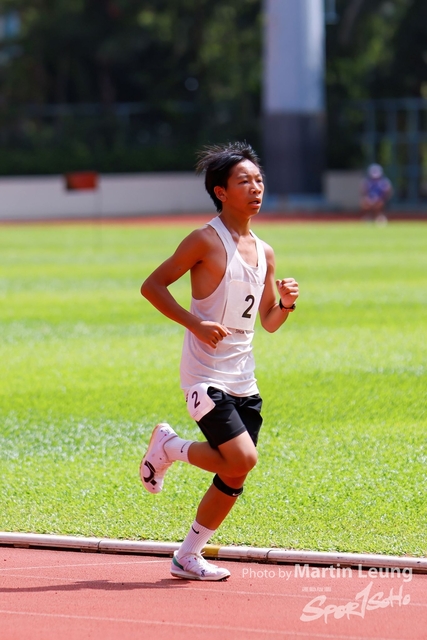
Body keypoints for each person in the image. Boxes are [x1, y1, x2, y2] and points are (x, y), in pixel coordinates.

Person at [140, 141, 299, 581]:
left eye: (259, 180)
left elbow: (268, 321)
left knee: (234, 474)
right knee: (243, 458)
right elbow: (152, 286)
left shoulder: (265, 252)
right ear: (221, 191)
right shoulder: (204, 240)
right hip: (204, 374)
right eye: (244, 181)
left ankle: (187, 556)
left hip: (244, 377)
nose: (256, 188)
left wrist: (286, 304)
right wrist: (196, 323)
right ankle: (169, 448)